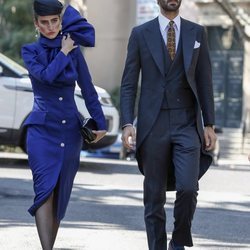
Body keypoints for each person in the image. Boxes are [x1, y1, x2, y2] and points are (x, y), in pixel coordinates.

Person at [120, 0, 217, 249]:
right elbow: (129, 83)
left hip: (187, 123)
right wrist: (127, 122)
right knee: (154, 196)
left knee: (187, 187)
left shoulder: (197, 32)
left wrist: (210, 124)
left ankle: (179, 240)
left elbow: (205, 81)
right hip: (154, 124)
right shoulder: (140, 34)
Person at [22, 0, 106, 249]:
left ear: (60, 21)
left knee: (59, 198)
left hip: (70, 132)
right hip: (41, 131)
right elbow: (46, 77)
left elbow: (89, 90)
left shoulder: (75, 51)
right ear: (36, 24)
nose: (50, 27)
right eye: (44, 22)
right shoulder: (30, 51)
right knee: (44, 191)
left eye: (54, 21)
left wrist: (100, 125)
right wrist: (63, 52)